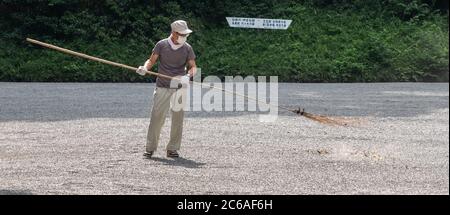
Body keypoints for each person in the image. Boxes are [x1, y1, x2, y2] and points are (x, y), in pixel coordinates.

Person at [136, 20, 197, 158]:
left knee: (178, 118)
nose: (184, 37)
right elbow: (151, 60)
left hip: (179, 86)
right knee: (157, 117)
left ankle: (173, 149)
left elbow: (193, 67)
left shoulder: (187, 48)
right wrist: (145, 68)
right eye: (182, 34)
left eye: (185, 34)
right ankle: (150, 148)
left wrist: (188, 75)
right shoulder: (161, 45)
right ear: (174, 33)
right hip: (162, 85)